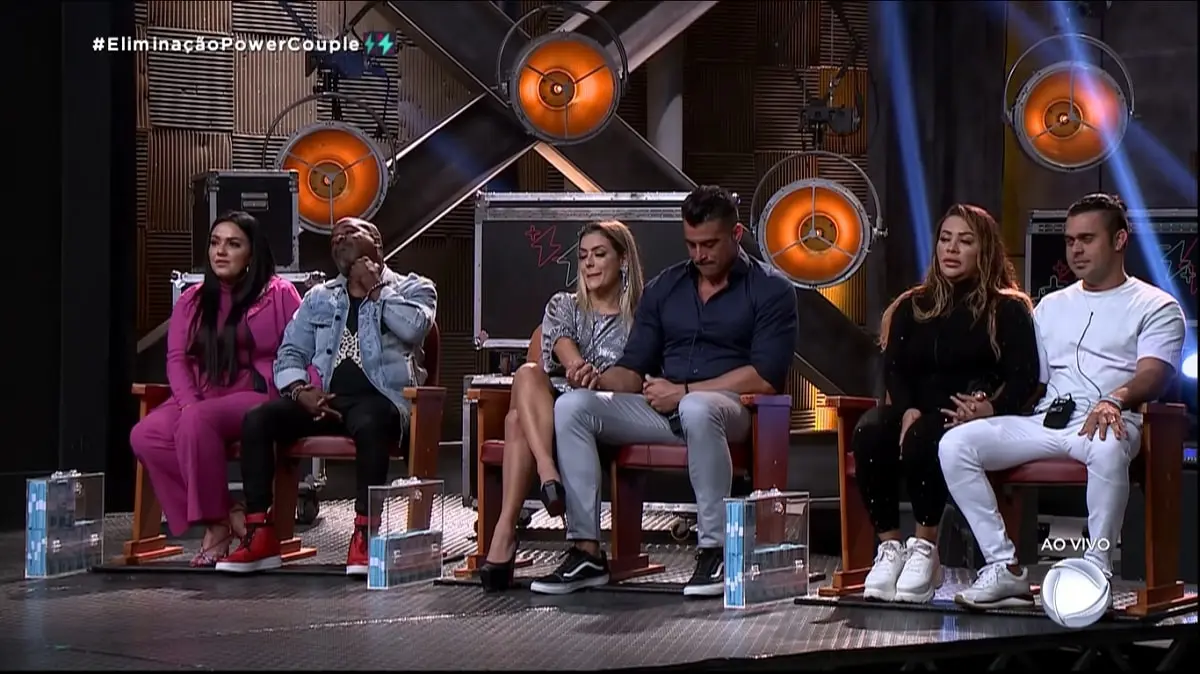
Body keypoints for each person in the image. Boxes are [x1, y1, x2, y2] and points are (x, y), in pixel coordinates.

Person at [530, 185, 798, 597]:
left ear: (736, 234)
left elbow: (765, 377)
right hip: (664, 409)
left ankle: (715, 550)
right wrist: (597, 380)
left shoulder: (771, 289)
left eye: (709, 244)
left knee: (697, 407)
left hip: (733, 410)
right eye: (691, 245)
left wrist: (685, 391)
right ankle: (586, 551)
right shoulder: (665, 287)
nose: (699, 255)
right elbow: (632, 370)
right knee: (573, 406)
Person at [940, 193, 1186, 609]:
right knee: (955, 444)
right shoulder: (1051, 305)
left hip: (1108, 419)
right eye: (1070, 241)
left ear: (1119, 240)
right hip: (1047, 420)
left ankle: (1096, 568)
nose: (1075, 250)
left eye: (1087, 239)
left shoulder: (1156, 305)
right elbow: (1031, 380)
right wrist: (988, 405)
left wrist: (1114, 399)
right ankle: (1003, 566)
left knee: (1107, 445)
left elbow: (1155, 373)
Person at [215, 217, 438, 575]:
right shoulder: (319, 297)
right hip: (326, 402)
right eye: (334, 238)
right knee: (258, 419)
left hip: (383, 403)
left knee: (370, 420)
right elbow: (290, 352)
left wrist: (376, 288)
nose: (339, 240)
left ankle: (365, 534)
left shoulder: (415, 288)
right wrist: (299, 389)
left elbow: (414, 329)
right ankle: (260, 535)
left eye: (349, 233)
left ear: (377, 243)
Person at [855, 204, 1040, 603]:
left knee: (925, 436)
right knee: (870, 430)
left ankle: (925, 549)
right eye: (945, 239)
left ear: (984, 250)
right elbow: (894, 368)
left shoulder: (1007, 307)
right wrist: (906, 407)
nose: (951, 249)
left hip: (968, 416)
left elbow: (1024, 376)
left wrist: (990, 407)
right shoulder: (912, 305)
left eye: (965, 241)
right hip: (915, 408)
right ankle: (890, 548)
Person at [479, 221, 646, 592]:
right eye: (583, 256)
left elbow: (636, 374)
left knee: (517, 422)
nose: (589, 264)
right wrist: (576, 368)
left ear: (622, 260)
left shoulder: (640, 317)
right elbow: (562, 344)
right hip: (551, 404)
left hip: (603, 412)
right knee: (527, 373)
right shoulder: (563, 304)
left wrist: (596, 382)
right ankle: (547, 472)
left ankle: (505, 533)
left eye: (599, 254)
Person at [130, 212, 302, 567]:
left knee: (197, 420)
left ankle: (216, 531)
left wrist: (301, 390)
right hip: (202, 393)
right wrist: (188, 402)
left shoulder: (279, 294)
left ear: (251, 253)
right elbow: (176, 359)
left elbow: (304, 347)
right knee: (146, 435)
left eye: (233, 244)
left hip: (256, 392)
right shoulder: (192, 300)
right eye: (215, 243)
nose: (220, 252)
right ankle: (225, 517)